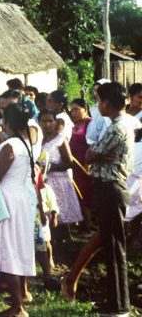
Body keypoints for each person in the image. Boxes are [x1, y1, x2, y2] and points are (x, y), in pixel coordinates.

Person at [84, 82, 134, 317]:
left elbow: (89, 155)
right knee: (112, 247)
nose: (98, 106)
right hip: (110, 188)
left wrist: (98, 153)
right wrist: (99, 154)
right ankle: (116, 302)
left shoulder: (116, 127)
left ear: (106, 103)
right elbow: (94, 155)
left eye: (99, 101)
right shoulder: (122, 124)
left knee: (114, 248)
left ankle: (119, 306)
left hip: (111, 189)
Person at [0, 103, 36, 317]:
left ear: (6, 122)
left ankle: (18, 307)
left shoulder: (11, 146)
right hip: (17, 199)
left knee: (8, 250)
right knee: (13, 249)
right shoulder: (22, 143)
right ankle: (19, 301)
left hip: (7, 201)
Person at [38, 109, 82, 247]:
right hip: (41, 182)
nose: (47, 124)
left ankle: (63, 244)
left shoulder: (59, 139)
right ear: (38, 123)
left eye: (50, 121)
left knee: (57, 214)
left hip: (58, 181)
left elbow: (70, 163)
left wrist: (49, 167)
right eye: (44, 121)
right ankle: (47, 242)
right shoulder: (36, 139)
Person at [68, 99, 94, 236]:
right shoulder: (73, 124)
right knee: (75, 196)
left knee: (84, 198)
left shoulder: (90, 124)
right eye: (72, 110)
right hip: (73, 166)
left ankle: (87, 228)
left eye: (77, 109)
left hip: (84, 165)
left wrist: (87, 165)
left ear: (85, 109)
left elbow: (92, 146)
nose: (74, 113)